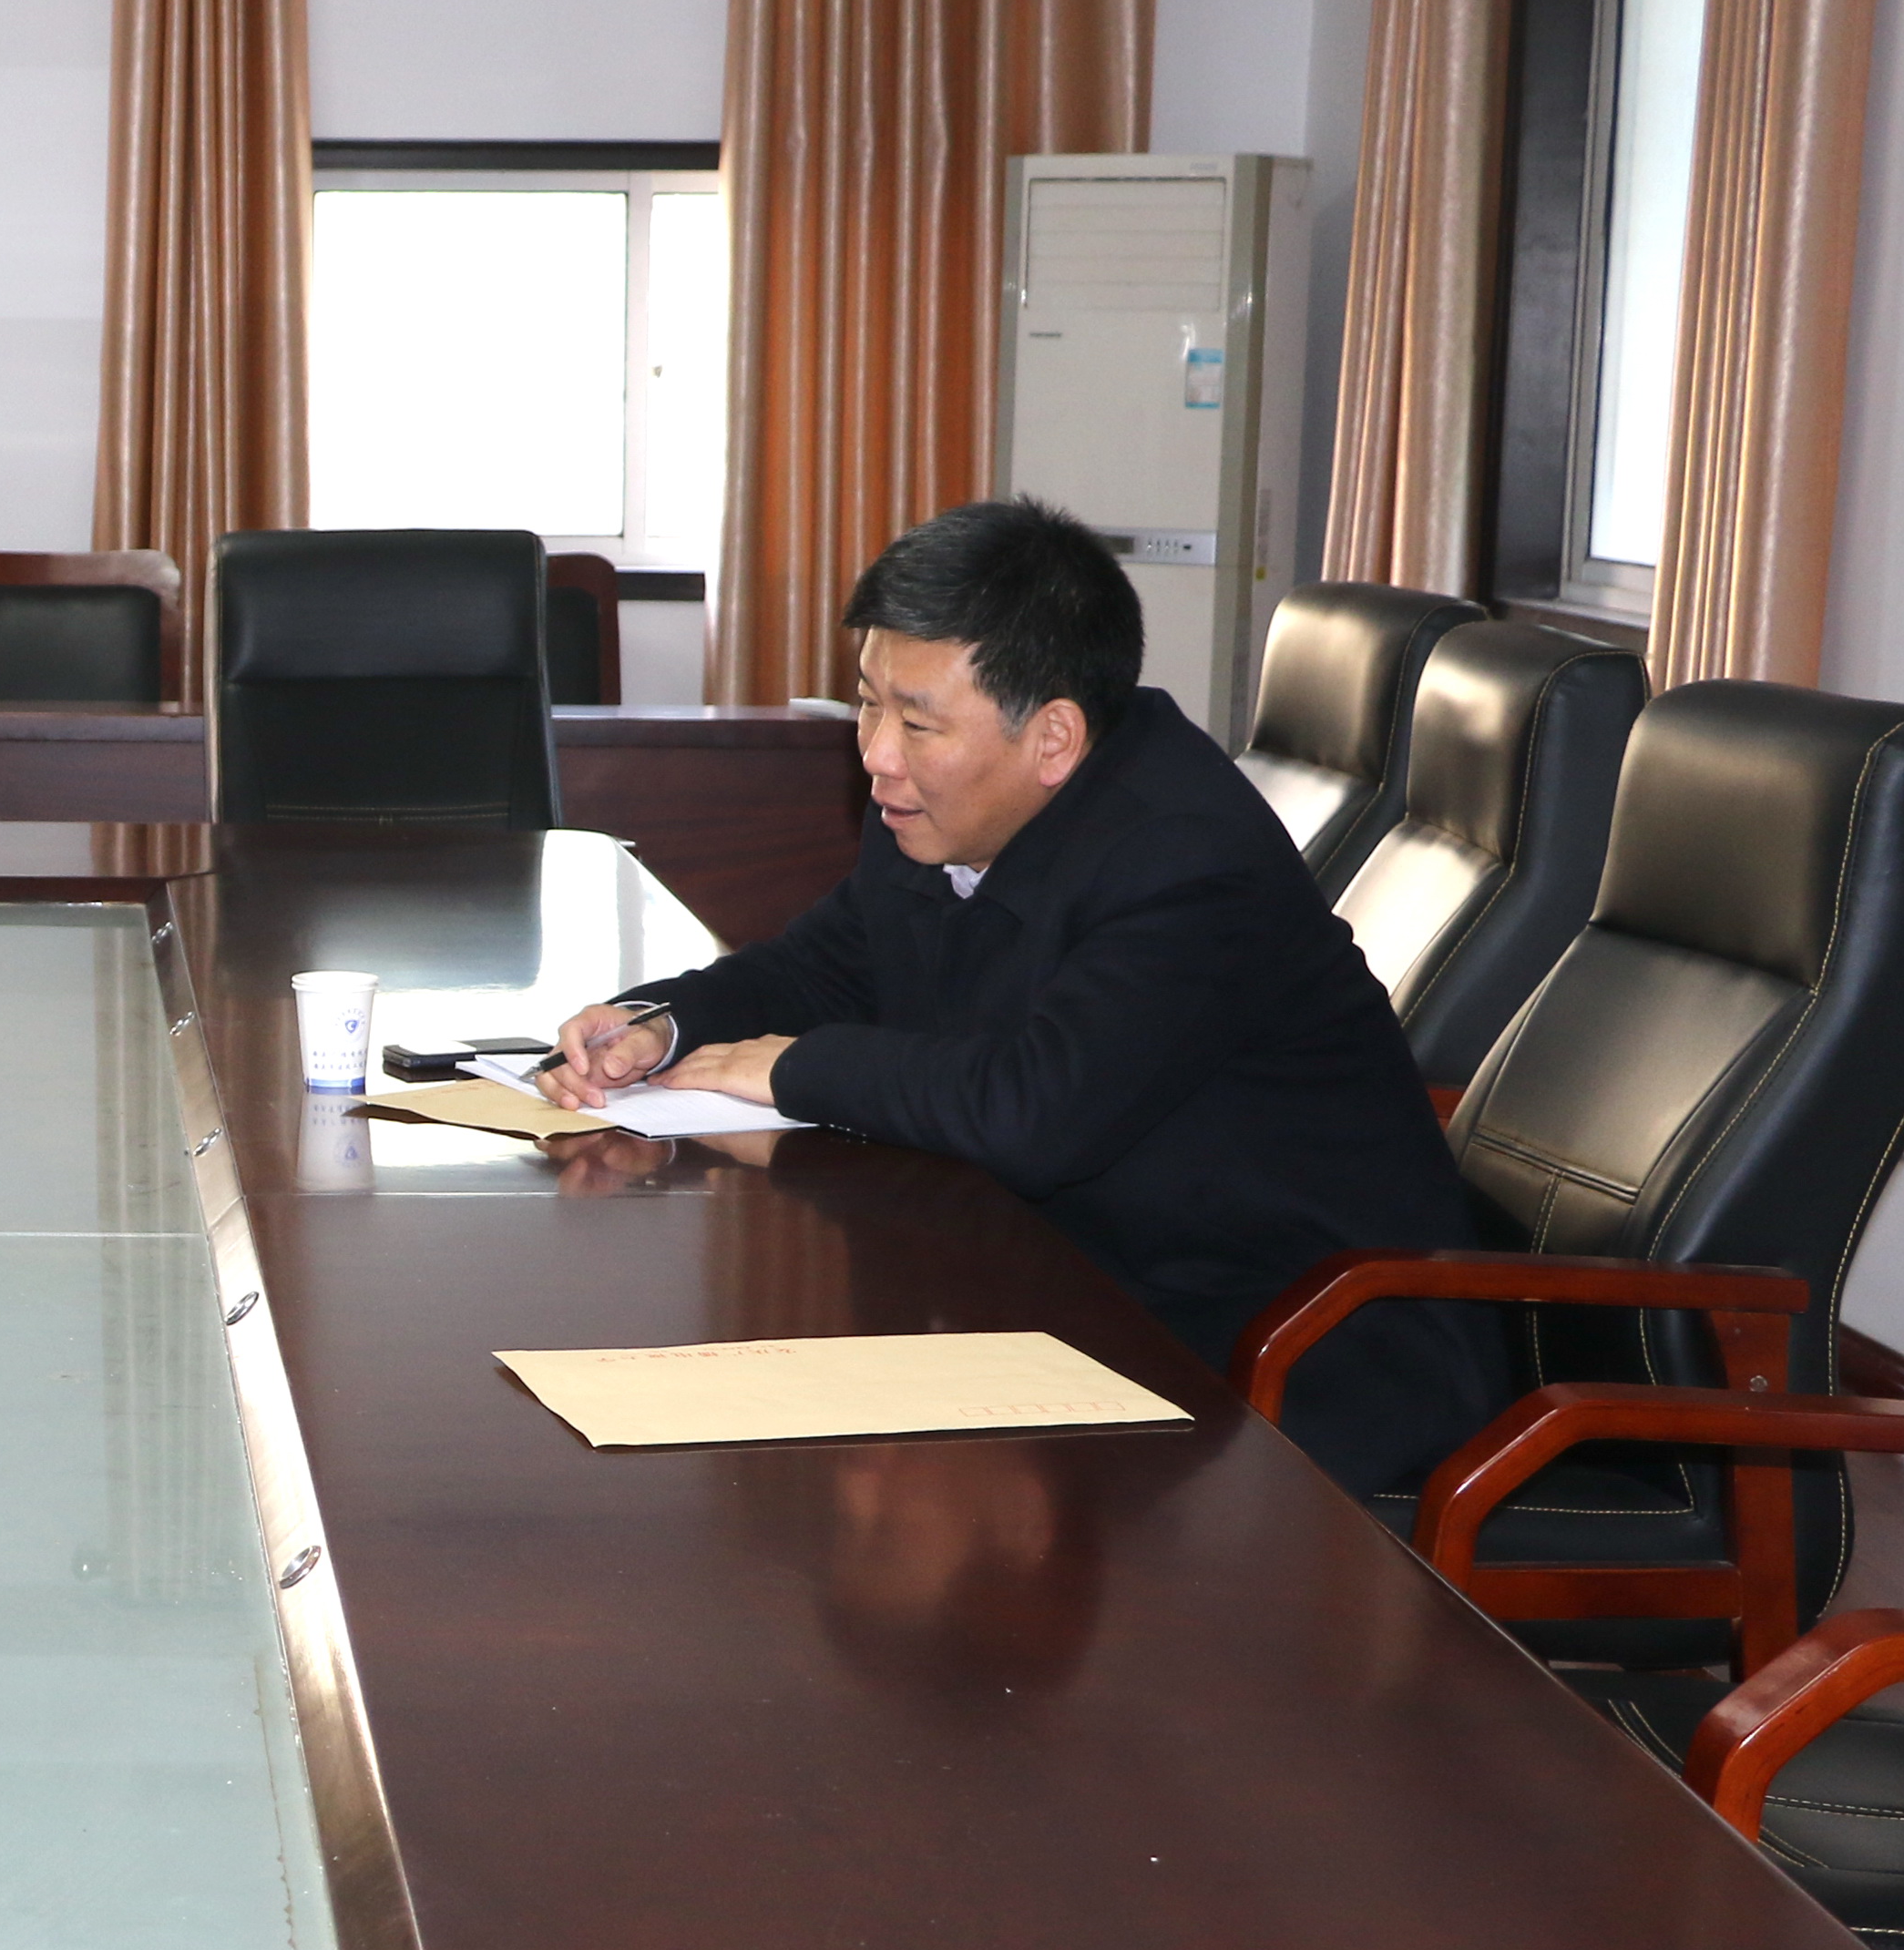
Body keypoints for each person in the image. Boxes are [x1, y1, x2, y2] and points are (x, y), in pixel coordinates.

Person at [539, 498, 1498, 1495]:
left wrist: (792, 1068)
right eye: (868, 704)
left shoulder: (1189, 859)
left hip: (1293, 1352)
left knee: (788, 1448)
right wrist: (665, 1024)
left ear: (1053, 739)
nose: (877, 753)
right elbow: (823, 964)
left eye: (917, 721)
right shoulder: (936, 805)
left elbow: (1036, 1112)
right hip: (1081, 1288)